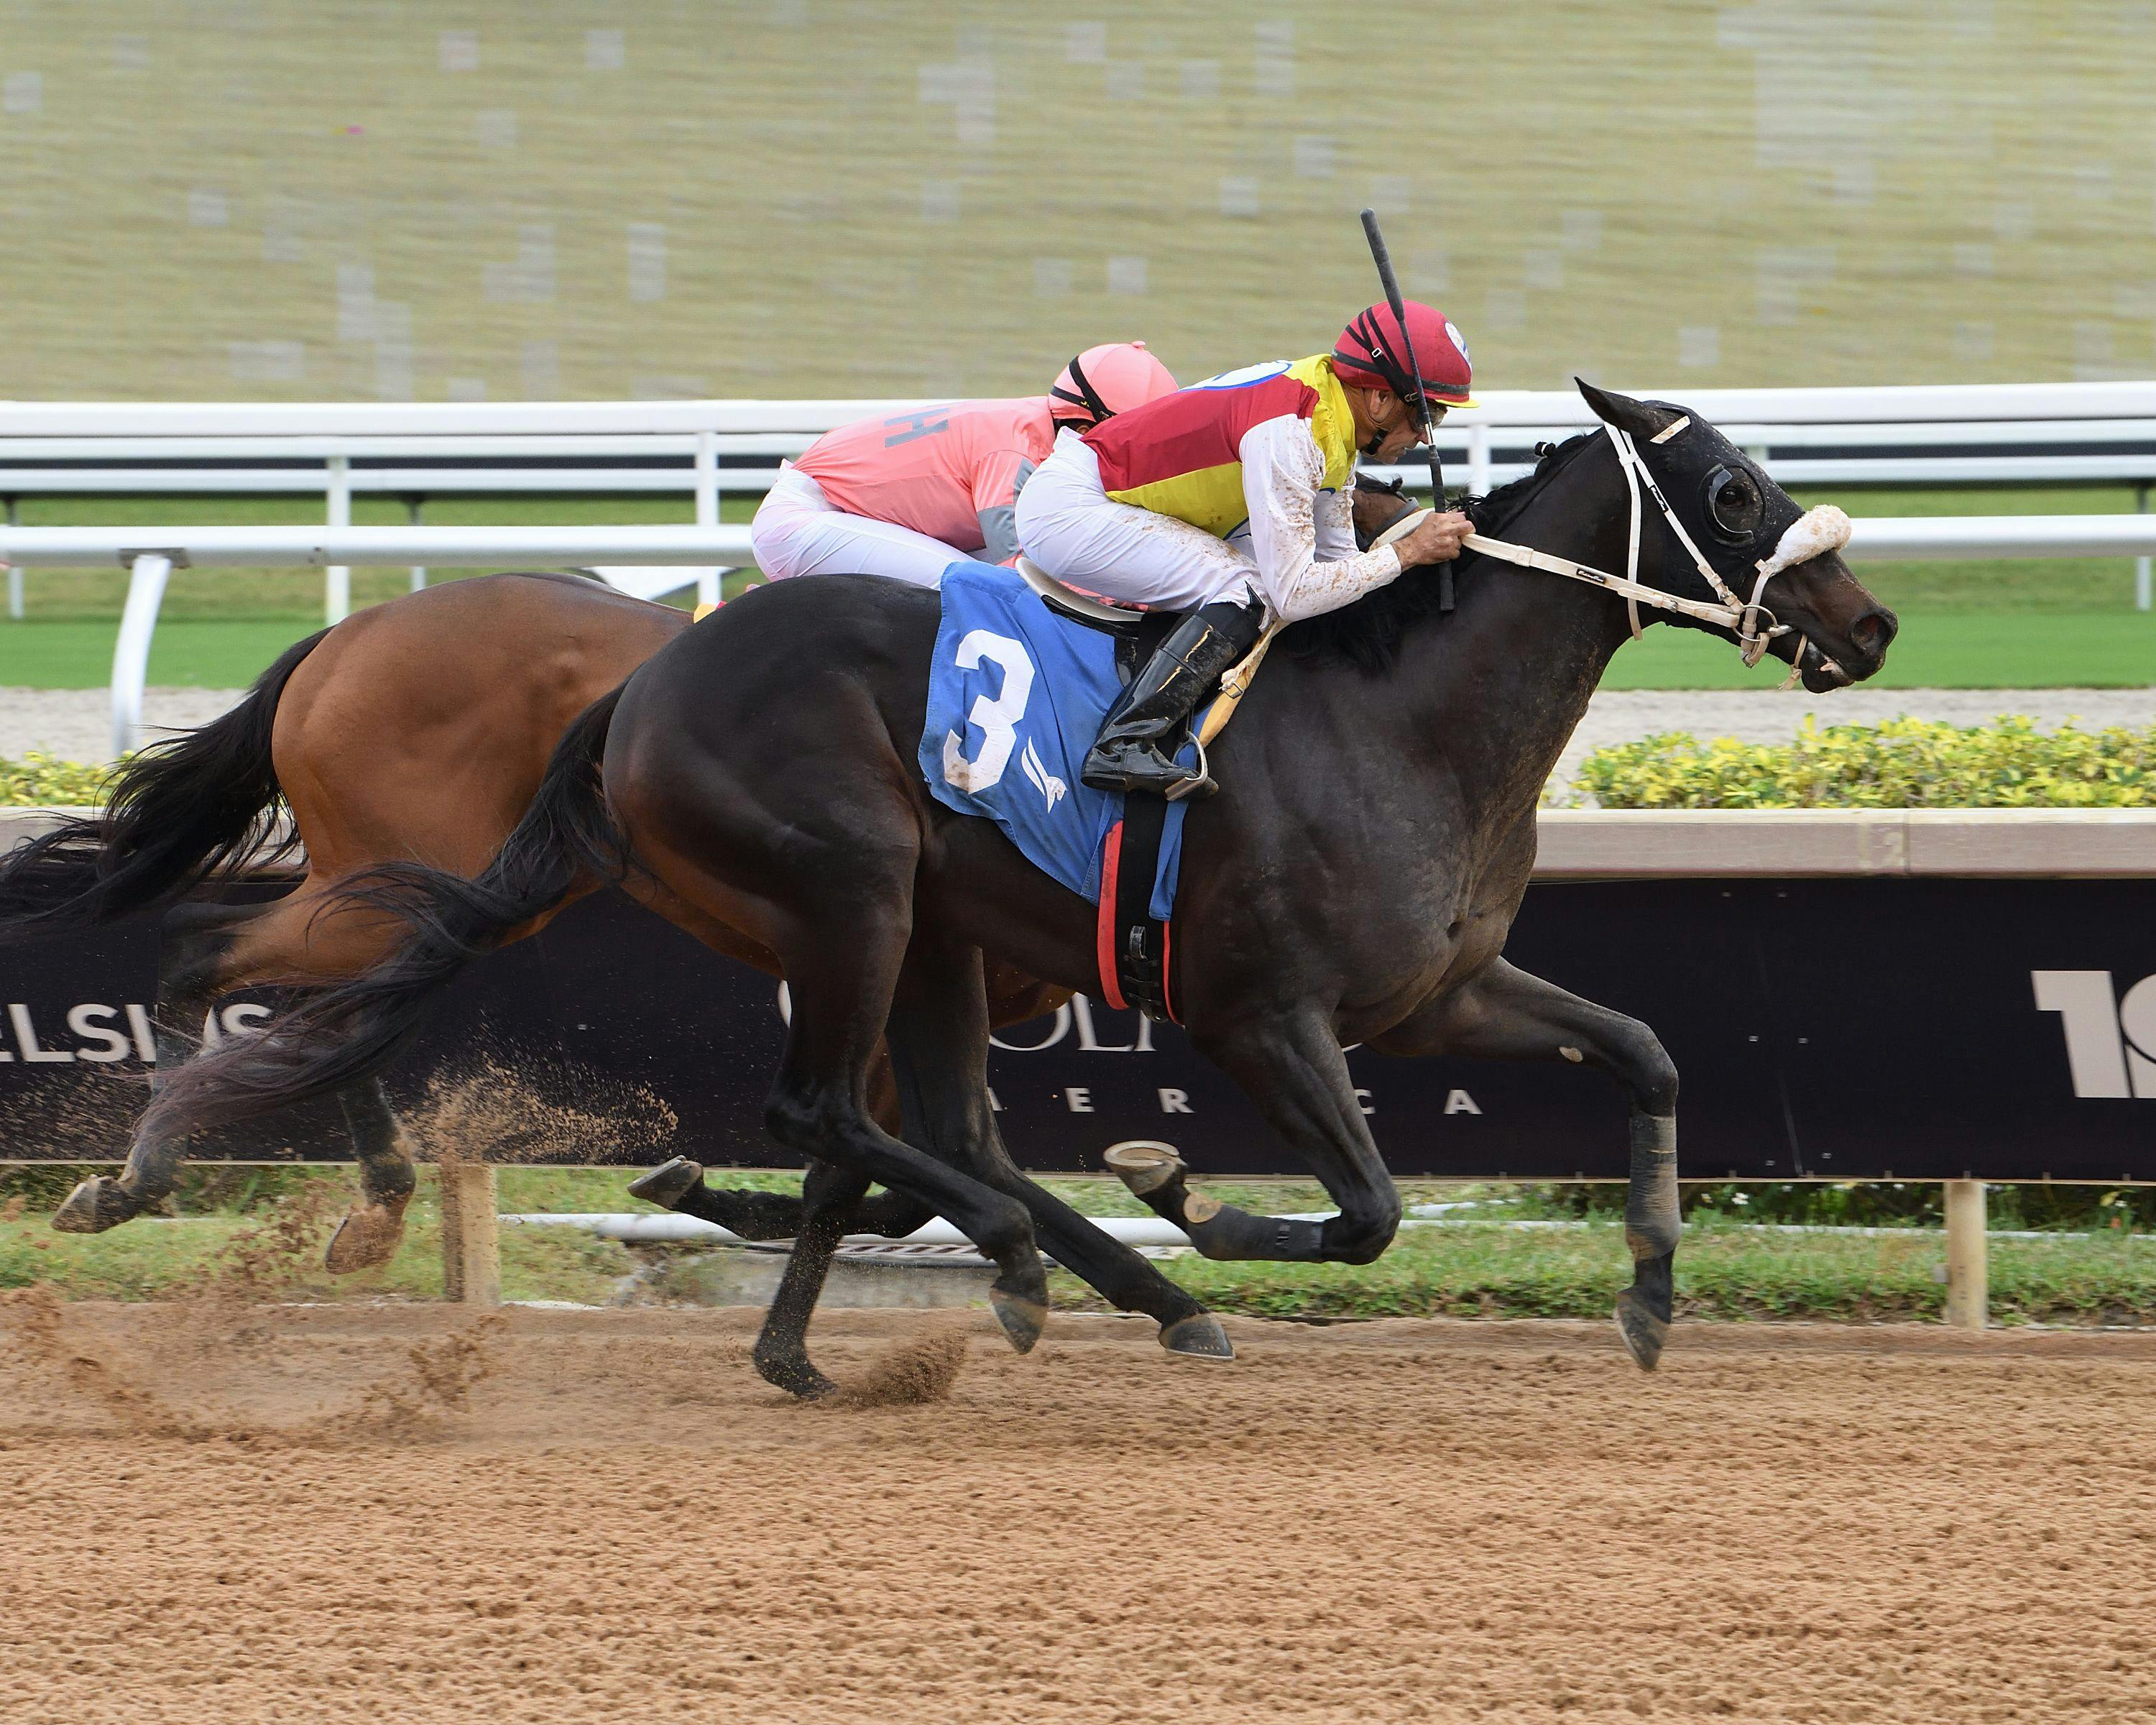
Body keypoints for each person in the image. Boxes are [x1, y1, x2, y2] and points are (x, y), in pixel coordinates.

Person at [1015, 303, 1479, 798]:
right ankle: (1123, 743)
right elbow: (1296, 593)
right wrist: (1407, 553)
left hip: (1122, 500)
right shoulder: (1293, 431)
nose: (1428, 433)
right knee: (1251, 588)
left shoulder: (1332, 421)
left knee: (1271, 584)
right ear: (1381, 399)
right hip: (1073, 507)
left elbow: (1340, 571)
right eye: (1426, 412)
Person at [748, 343, 1179, 589]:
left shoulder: (1039, 429)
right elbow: (1021, 569)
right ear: (1086, 421)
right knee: (978, 591)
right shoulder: (1016, 451)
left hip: (838, 511)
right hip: (806, 519)